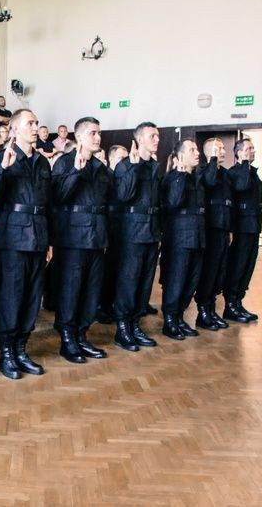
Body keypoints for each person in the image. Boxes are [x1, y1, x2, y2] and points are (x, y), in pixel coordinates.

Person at [0, 109, 50, 379]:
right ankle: (7, 352)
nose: (35, 127)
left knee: (32, 297)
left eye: (36, 123)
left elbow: (49, 205)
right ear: (14, 129)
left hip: (38, 237)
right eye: (30, 123)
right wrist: (2, 169)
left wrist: (50, 241)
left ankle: (22, 348)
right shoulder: (2, 158)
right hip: (12, 238)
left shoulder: (42, 162)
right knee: (10, 297)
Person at [50, 117, 111, 364]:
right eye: (93, 133)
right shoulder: (64, 163)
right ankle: (67, 337)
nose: (98, 138)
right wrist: (75, 171)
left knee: (91, 289)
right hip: (72, 237)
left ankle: (82, 334)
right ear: (80, 136)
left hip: (97, 236)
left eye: (99, 133)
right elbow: (58, 197)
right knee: (71, 289)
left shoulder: (100, 167)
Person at [112, 122, 161, 352]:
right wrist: (132, 167)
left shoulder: (155, 166)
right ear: (139, 139)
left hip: (152, 232)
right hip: (132, 232)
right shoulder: (125, 165)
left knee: (144, 282)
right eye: (152, 136)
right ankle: (122, 328)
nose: (157, 140)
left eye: (158, 136)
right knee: (129, 281)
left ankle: (135, 324)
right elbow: (123, 196)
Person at [159, 138, 205, 340]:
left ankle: (179, 317)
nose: (197, 153)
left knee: (191, 280)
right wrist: (179, 174)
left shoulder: (197, 178)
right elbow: (173, 203)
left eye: (197, 149)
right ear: (180, 156)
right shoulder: (172, 179)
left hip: (197, 237)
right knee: (176, 281)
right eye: (192, 150)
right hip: (178, 239)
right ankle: (169, 320)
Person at [222, 138, 262, 323]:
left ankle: (238, 302)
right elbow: (241, 186)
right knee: (237, 265)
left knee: (248, 265)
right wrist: (245, 163)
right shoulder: (235, 173)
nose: (251, 152)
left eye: (252, 149)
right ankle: (230, 304)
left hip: (253, 226)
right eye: (247, 149)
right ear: (238, 153)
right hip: (240, 227)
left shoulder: (251, 172)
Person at [193, 138, 231, 330]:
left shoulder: (225, 173)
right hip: (209, 230)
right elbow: (209, 181)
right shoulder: (202, 170)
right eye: (218, 148)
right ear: (208, 152)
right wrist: (213, 160)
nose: (223, 151)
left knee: (219, 271)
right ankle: (203, 311)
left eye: (223, 148)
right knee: (209, 271)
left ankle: (212, 307)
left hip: (223, 228)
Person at [97, 144, 129, 323]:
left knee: (118, 269)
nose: (124, 163)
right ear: (111, 159)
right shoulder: (106, 175)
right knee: (106, 271)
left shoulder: (125, 177)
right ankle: (102, 306)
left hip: (122, 229)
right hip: (108, 228)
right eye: (121, 159)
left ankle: (112, 304)